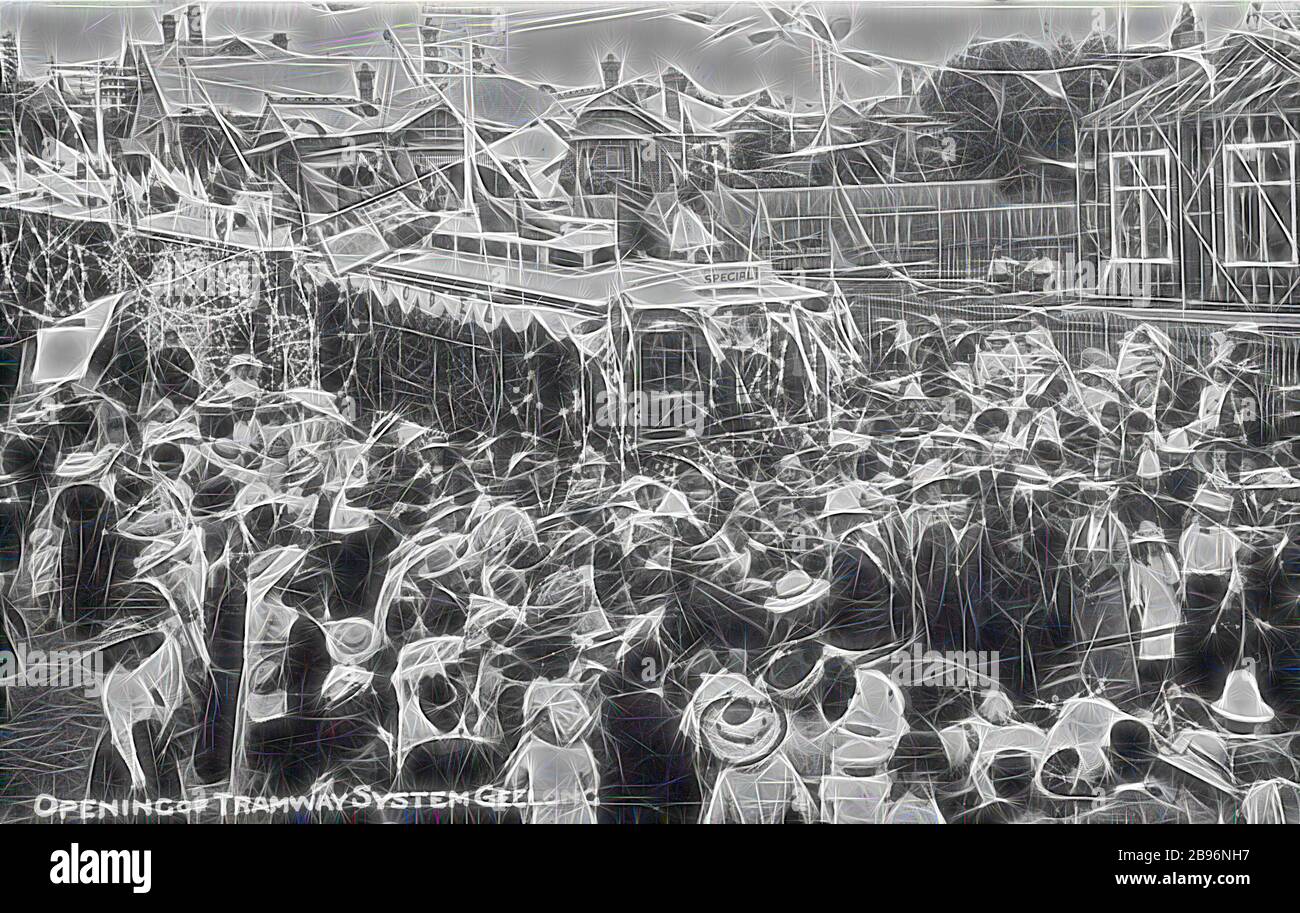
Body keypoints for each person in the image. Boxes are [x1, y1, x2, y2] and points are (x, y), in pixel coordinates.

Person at [150, 329, 199, 408]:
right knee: (196, 387)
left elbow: (154, 372)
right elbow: (190, 368)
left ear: (165, 341)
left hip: (164, 389)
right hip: (183, 387)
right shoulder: (182, 352)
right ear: (177, 340)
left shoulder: (156, 355)